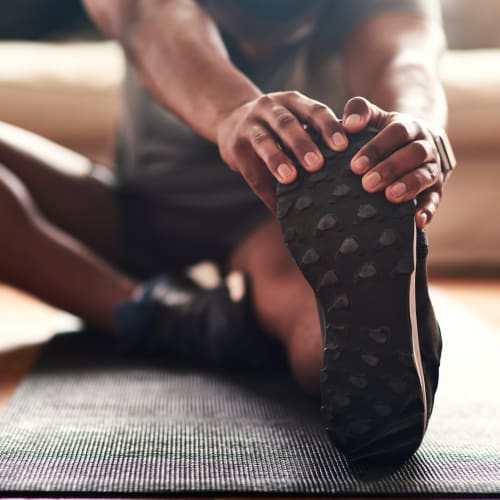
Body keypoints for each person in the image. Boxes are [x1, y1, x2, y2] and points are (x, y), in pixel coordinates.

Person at [0, 0, 455, 462]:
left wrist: (416, 129)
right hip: (128, 212)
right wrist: (233, 110)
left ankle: (392, 337)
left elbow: (402, 58)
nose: (259, 49)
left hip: (275, 224)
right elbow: (151, 18)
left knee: (324, 311)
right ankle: (165, 315)